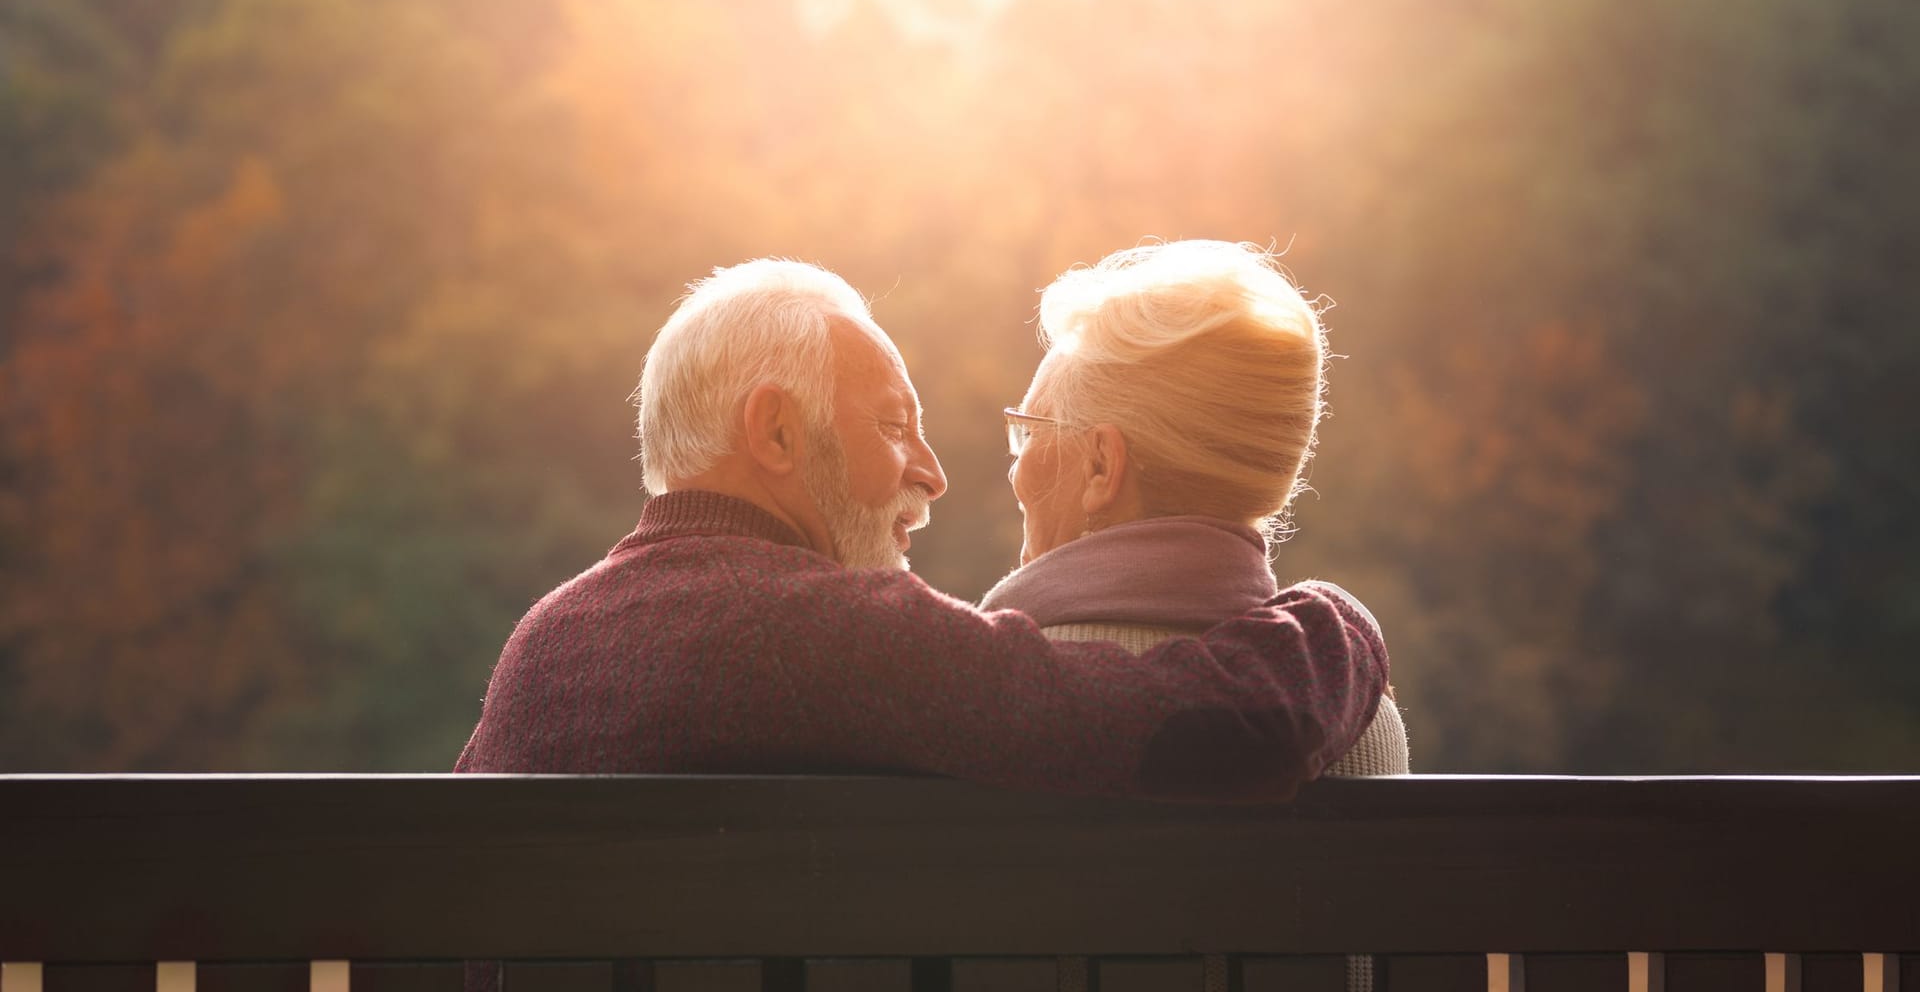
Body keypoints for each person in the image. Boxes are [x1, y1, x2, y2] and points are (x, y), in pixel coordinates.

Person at [454, 257, 1390, 803]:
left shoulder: (545, 641)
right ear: (776, 431)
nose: (934, 472)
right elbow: (1202, 730)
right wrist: (1339, 623)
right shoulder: (813, 634)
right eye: (895, 426)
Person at [982, 239, 1408, 992]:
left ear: (1101, 469)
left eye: (1031, 431)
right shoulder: (1362, 713)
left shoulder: (990, 690)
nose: (1016, 469)